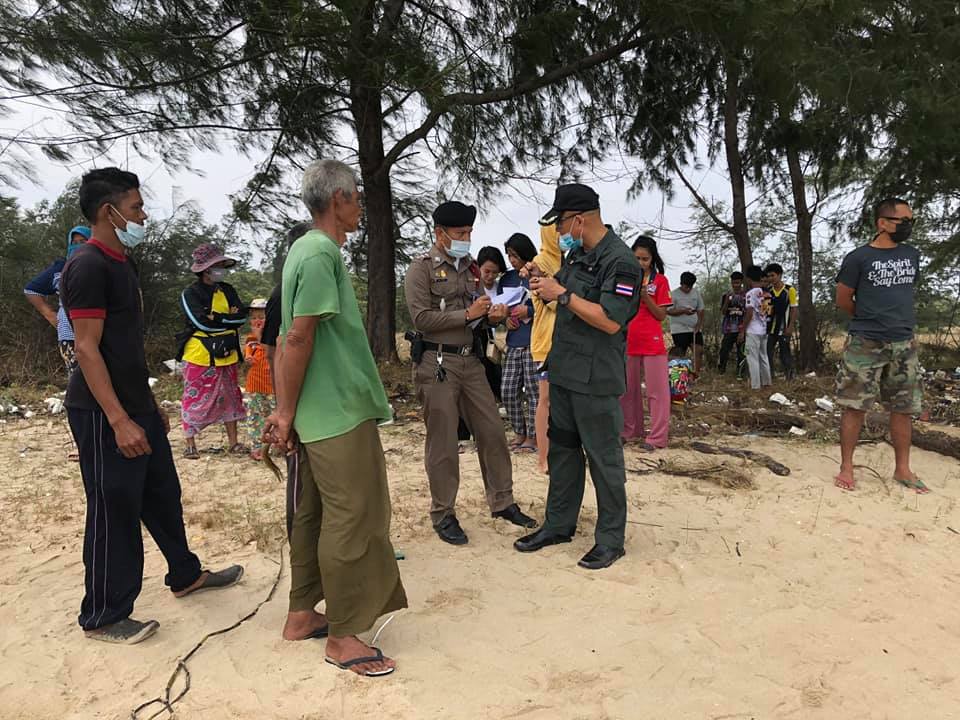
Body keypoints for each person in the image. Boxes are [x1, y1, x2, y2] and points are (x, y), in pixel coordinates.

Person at [61, 167, 242, 645]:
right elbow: (87, 348)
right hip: (101, 413)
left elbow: (125, 347)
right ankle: (103, 614)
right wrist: (119, 419)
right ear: (109, 211)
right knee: (113, 507)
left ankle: (185, 574)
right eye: (137, 207)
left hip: (135, 405)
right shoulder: (88, 265)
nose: (144, 216)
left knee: (162, 493)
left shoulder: (122, 263)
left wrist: (147, 404)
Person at [265, 158, 407, 677]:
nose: (360, 209)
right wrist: (283, 409)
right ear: (339, 199)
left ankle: (302, 613)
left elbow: (284, 337)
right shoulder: (321, 252)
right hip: (337, 412)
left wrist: (287, 412)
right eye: (356, 199)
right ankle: (344, 637)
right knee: (355, 515)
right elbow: (298, 336)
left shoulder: (302, 249)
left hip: (315, 411)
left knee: (315, 513)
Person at [514, 183, 641, 570]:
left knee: (603, 459)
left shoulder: (620, 262)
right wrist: (542, 278)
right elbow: (560, 290)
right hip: (565, 372)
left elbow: (609, 321)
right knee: (564, 453)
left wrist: (564, 295)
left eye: (562, 224)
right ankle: (558, 524)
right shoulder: (577, 257)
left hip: (596, 380)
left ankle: (610, 539)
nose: (559, 233)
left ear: (580, 220)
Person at [404, 200, 537, 546]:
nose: (467, 237)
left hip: (471, 360)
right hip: (438, 364)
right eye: (461, 233)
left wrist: (490, 314)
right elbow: (420, 318)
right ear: (440, 234)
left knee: (492, 430)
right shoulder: (421, 269)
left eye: (469, 232)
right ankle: (444, 513)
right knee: (444, 440)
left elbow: (476, 309)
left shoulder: (472, 269)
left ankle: (502, 501)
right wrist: (465, 315)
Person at [834, 197, 925, 493]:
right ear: (882, 223)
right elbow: (844, 299)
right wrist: (869, 320)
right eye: (903, 221)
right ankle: (847, 467)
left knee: (903, 408)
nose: (908, 227)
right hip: (865, 343)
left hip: (904, 343)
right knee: (854, 406)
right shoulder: (858, 258)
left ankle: (903, 469)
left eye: (911, 221)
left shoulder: (911, 254)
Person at [261, 221, 312, 540]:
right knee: (299, 470)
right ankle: (300, 541)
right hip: (297, 398)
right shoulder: (283, 293)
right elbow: (272, 353)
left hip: (321, 397)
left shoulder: (313, 288)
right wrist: (284, 409)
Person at [24, 225, 92, 461]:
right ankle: (83, 443)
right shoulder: (59, 268)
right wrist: (50, 315)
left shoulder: (97, 264)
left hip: (95, 333)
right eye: (74, 241)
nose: (78, 245)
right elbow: (31, 289)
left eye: (84, 240)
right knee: (78, 387)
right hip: (69, 337)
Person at [176, 244, 249, 459]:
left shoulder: (227, 290)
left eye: (221, 265)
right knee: (194, 396)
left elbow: (241, 317)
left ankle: (233, 442)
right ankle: (190, 444)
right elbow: (200, 323)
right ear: (204, 269)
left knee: (230, 395)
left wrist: (216, 317)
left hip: (228, 352)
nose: (220, 269)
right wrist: (227, 319)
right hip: (200, 354)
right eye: (216, 265)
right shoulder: (190, 293)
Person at [621, 235, 672, 450]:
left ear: (652, 259)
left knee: (656, 392)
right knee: (627, 391)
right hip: (628, 341)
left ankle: (657, 437)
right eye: (637, 258)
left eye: (645, 258)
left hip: (652, 343)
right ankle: (631, 431)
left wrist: (645, 297)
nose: (641, 263)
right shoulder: (625, 279)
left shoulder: (660, 281)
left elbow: (661, 315)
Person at [500, 233, 539, 454]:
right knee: (508, 389)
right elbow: (500, 306)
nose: (512, 260)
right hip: (514, 341)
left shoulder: (538, 273)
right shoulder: (507, 279)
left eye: (514, 255)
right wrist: (505, 318)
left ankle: (533, 436)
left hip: (534, 341)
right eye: (509, 256)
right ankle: (519, 431)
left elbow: (549, 304)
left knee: (534, 392)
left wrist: (529, 311)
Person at [528, 226, 561, 474]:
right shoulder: (540, 263)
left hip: (571, 343)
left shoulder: (575, 260)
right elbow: (550, 302)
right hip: (546, 343)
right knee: (546, 400)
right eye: (557, 232)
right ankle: (543, 458)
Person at [243, 298, 272, 461]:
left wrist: (261, 336)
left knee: (272, 415)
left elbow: (271, 352)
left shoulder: (275, 336)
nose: (257, 321)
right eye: (254, 317)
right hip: (255, 384)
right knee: (255, 417)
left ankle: (274, 446)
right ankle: (256, 447)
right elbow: (248, 353)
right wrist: (248, 357)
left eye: (261, 317)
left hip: (273, 385)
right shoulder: (250, 338)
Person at [739, 265, 773, 391]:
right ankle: (767, 383)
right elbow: (766, 312)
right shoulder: (766, 293)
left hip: (753, 330)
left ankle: (755, 386)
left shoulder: (750, 293)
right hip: (763, 329)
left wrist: (742, 330)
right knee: (763, 357)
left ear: (748, 279)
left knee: (752, 358)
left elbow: (749, 313)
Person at [764, 263, 798, 379]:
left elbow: (794, 309)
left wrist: (790, 327)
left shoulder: (790, 290)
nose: (770, 278)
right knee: (768, 352)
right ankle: (770, 376)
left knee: (785, 353)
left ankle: (790, 376)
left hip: (784, 328)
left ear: (779, 275)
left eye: (772, 275)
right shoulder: (768, 291)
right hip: (770, 329)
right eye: (768, 276)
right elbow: (765, 310)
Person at [667, 271, 705, 374]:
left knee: (699, 350)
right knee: (680, 352)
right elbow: (669, 311)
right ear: (681, 283)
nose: (688, 289)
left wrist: (699, 324)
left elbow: (701, 309)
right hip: (679, 329)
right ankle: (679, 376)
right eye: (686, 286)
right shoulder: (673, 294)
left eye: (690, 286)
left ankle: (696, 374)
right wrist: (683, 311)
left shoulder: (696, 293)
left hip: (694, 328)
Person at [717, 271, 746, 377]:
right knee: (724, 350)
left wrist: (743, 331)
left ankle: (740, 373)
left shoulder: (746, 295)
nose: (735, 285)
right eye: (733, 283)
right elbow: (723, 312)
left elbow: (747, 313)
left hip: (741, 328)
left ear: (741, 282)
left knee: (741, 353)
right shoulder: (726, 295)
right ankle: (721, 371)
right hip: (729, 328)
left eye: (738, 283)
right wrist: (727, 301)